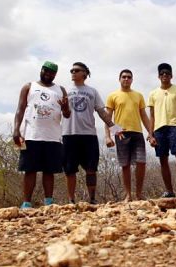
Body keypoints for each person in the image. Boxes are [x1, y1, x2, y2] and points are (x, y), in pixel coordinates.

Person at [62, 62, 122, 205]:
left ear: (84, 73)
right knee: (70, 170)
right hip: (69, 134)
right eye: (71, 70)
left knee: (91, 168)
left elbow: (102, 112)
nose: (73, 72)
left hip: (88, 134)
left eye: (76, 70)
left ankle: (92, 198)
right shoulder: (64, 90)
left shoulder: (92, 91)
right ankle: (71, 200)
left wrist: (115, 128)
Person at [13, 61, 71, 209]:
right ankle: (26, 203)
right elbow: (20, 109)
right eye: (46, 71)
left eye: (52, 72)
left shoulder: (61, 90)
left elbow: (67, 114)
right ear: (41, 70)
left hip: (53, 136)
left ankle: (49, 202)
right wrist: (16, 130)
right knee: (30, 169)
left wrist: (65, 108)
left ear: (55, 74)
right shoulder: (29, 86)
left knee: (49, 170)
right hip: (32, 134)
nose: (48, 74)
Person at [104, 69, 156, 201]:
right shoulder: (113, 96)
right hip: (121, 133)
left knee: (141, 162)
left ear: (132, 80)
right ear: (119, 79)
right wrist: (108, 136)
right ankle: (128, 194)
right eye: (124, 77)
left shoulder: (138, 95)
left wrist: (151, 133)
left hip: (137, 132)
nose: (126, 79)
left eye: (129, 77)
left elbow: (144, 116)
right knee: (125, 164)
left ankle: (139, 194)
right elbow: (107, 118)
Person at [148, 63, 176, 197]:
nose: (164, 75)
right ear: (158, 76)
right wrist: (150, 134)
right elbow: (152, 115)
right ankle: (169, 190)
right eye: (162, 73)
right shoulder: (153, 93)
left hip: (174, 126)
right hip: (159, 129)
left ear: (171, 75)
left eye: (167, 73)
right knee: (163, 159)